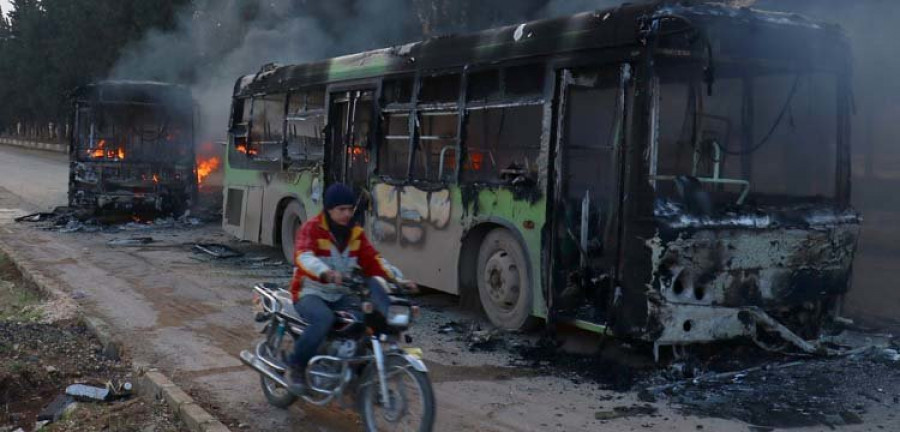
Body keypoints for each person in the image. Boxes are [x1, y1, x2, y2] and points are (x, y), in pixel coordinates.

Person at [286, 183, 415, 395]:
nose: (347, 214)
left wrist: (399, 280)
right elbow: (303, 256)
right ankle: (297, 368)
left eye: (350, 209)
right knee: (323, 319)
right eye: (341, 209)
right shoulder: (312, 228)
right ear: (329, 209)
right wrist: (326, 272)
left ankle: (358, 373)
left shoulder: (355, 234)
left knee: (367, 319)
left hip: (340, 294)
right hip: (309, 291)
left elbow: (374, 261)